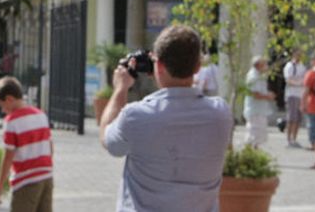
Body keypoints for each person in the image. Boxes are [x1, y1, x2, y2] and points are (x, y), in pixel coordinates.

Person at [100, 25, 231, 212]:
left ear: (159, 65)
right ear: (198, 66)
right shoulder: (221, 114)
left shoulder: (136, 116)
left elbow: (108, 139)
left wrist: (120, 89)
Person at [0, 75, 53, 212]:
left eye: (1, 106)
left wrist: (0, 186)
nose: (2, 110)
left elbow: (8, 156)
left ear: (9, 99)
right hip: (46, 177)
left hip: (26, 180)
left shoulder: (11, 122)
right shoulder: (41, 115)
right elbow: (50, 146)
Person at [244, 55, 275, 147]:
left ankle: (254, 151)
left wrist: (267, 94)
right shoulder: (253, 77)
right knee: (254, 132)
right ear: (258, 65)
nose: (266, 66)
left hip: (259, 109)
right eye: (264, 64)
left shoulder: (259, 76)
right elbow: (255, 94)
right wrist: (268, 96)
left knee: (259, 133)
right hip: (255, 110)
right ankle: (250, 152)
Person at [283, 49, 307, 147]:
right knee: (291, 118)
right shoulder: (289, 66)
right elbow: (288, 80)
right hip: (292, 94)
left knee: (298, 118)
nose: (299, 56)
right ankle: (288, 139)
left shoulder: (302, 66)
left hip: (300, 95)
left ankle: (294, 138)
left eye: (300, 54)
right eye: (297, 54)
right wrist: (298, 83)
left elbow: (305, 79)